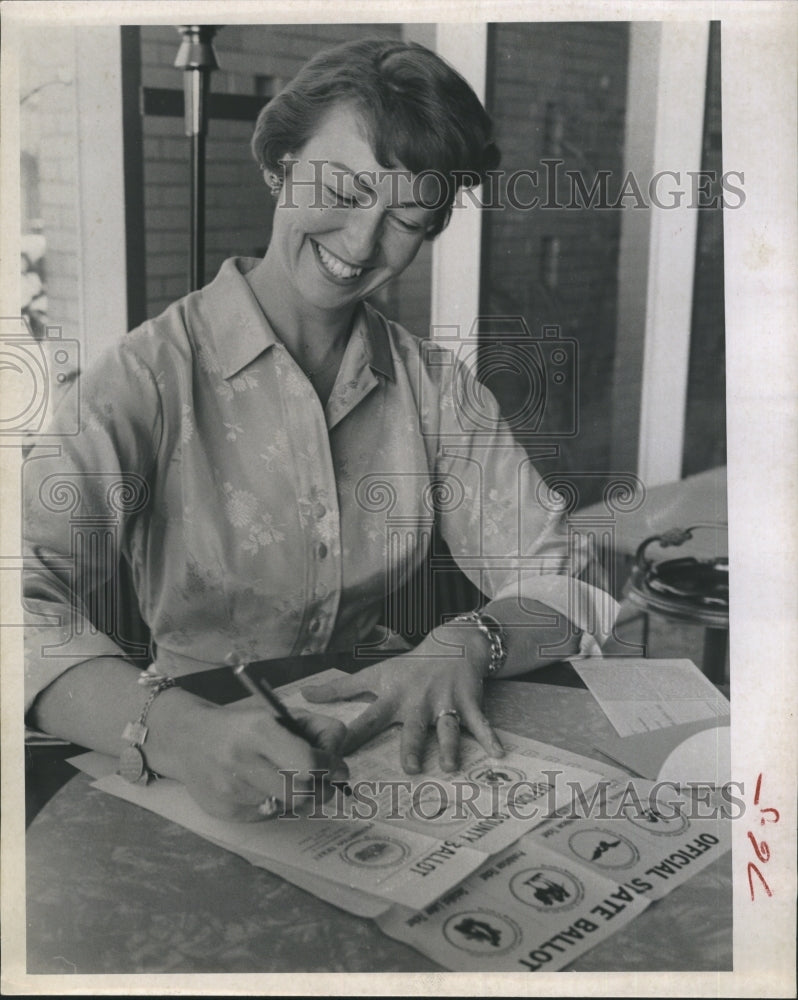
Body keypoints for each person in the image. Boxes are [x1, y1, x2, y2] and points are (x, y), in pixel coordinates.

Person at [23, 38, 617, 823]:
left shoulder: (434, 389)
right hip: (186, 763)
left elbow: (576, 583)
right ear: (280, 163)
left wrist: (468, 640)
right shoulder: (145, 378)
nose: (362, 243)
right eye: (341, 188)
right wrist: (171, 731)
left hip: (373, 755)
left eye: (406, 217)